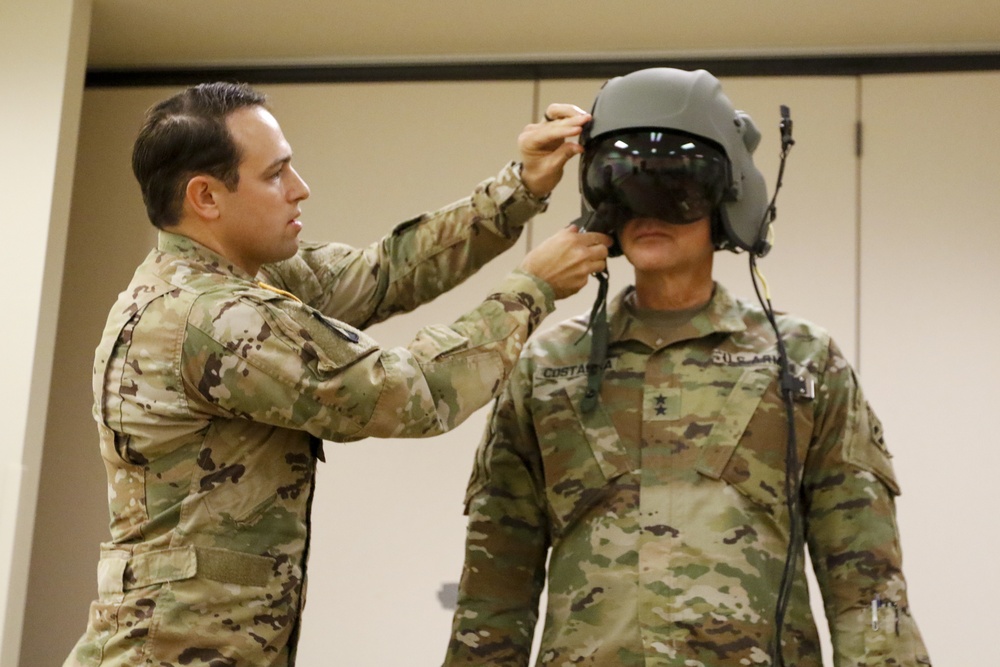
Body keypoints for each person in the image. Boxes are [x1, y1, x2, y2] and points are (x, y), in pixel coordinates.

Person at [64, 81, 612, 667]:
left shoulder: (239, 281)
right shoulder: (211, 319)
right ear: (206, 197)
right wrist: (534, 288)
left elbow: (384, 273)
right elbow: (412, 393)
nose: (300, 190)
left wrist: (521, 186)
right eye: (275, 175)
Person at [443, 68, 931, 666]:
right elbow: (493, 599)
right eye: (624, 183)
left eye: (675, 186)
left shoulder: (801, 361)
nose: (647, 210)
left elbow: (868, 589)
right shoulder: (547, 368)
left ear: (727, 199)